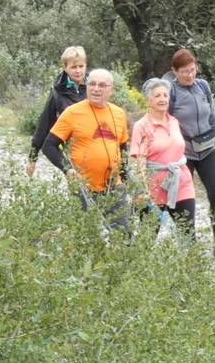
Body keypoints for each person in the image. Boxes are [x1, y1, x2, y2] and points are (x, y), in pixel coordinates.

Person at [162, 48, 215, 259]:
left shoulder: (202, 86)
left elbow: (212, 115)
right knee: (186, 200)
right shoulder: (172, 92)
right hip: (183, 154)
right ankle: (189, 247)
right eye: (185, 71)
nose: (190, 75)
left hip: (207, 150)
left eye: (193, 70)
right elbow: (165, 122)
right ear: (174, 71)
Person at [41, 68, 131, 234]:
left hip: (114, 187)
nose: (96, 89)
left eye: (102, 85)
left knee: (123, 236)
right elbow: (49, 146)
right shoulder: (72, 112)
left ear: (111, 89)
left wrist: (125, 180)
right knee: (85, 237)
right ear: (86, 86)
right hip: (83, 187)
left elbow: (123, 149)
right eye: (92, 84)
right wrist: (67, 169)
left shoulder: (119, 114)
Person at [130, 77, 197, 239]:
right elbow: (138, 161)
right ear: (148, 100)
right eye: (157, 95)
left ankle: (190, 264)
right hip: (153, 188)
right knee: (147, 237)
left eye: (165, 95)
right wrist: (142, 190)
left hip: (181, 182)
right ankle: (140, 264)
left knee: (188, 234)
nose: (163, 99)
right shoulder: (142, 126)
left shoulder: (174, 122)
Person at [27, 46, 87, 176]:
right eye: (73, 67)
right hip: (73, 150)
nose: (78, 71)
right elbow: (45, 123)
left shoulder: (94, 88)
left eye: (81, 66)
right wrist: (32, 157)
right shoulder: (57, 92)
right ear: (65, 67)